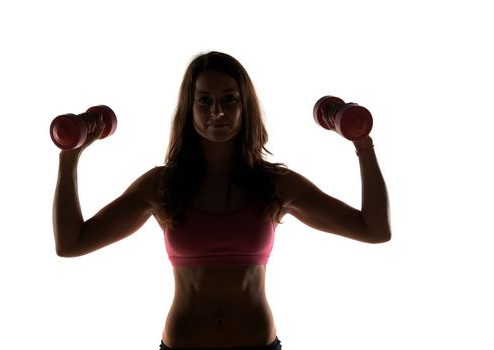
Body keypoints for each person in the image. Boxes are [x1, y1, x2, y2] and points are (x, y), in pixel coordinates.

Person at [52, 51, 391, 350]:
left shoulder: (275, 185)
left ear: (245, 107)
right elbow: (72, 243)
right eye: (204, 100)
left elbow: (374, 229)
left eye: (229, 99)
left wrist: (363, 144)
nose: (217, 111)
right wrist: (70, 157)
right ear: (190, 107)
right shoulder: (162, 186)